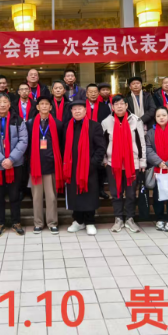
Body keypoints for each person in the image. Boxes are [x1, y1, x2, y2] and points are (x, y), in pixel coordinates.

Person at [0, 93, 28, 237]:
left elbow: (23, 141)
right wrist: (1, 160)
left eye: (5, 102)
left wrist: (11, 159)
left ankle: (16, 222)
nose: (2, 105)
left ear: (9, 104)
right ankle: (0, 223)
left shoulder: (18, 120)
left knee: (15, 195)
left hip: (15, 164)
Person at [102, 95, 146, 233]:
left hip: (133, 163)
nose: (119, 106)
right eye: (116, 104)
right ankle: (118, 218)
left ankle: (130, 219)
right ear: (112, 107)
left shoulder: (136, 120)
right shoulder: (106, 122)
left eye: (122, 103)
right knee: (116, 193)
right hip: (113, 163)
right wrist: (104, 160)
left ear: (127, 106)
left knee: (131, 193)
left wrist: (143, 161)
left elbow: (141, 142)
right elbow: (103, 143)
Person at [65, 100, 107, 236]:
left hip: (89, 167)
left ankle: (89, 222)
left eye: (80, 108)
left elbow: (101, 148)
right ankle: (78, 221)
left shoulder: (94, 126)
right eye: (74, 109)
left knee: (89, 194)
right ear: (71, 111)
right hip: (72, 167)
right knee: (74, 195)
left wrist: (92, 163)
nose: (77, 111)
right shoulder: (68, 126)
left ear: (85, 110)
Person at [27, 95, 63, 235]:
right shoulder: (30, 124)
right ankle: (38, 223)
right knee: (36, 197)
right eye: (41, 104)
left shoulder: (58, 124)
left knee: (51, 197)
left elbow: (61, 145)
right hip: (35, 165)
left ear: (50, 107)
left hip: (51, 165)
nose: (44, 106)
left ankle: (52, 223)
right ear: (37, 107)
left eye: (46, 104)